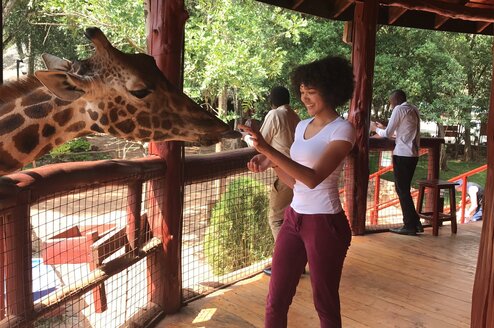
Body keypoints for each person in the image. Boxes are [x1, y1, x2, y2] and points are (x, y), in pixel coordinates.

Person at [239, 56, 355, 328]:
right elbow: (296, 179)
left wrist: (267, 149)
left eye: (311, 92)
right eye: (302, 92)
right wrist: (266, 161)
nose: (305, 98)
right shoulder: (301, 125)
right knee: (275, 298)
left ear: (330, 91)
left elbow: (313, 178)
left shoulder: (343, 129)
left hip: (325, 223)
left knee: (324, 302)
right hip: (294, 218)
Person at [244, 87, 300, 242]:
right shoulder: (295, 116)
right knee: (291, 217)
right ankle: (294, 263)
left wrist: (246, 138)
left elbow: (260, 143)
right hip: (298, 172)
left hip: (285, 174)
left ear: (272, 101)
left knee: (276, 219)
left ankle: (286, 263)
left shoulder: (275, 114)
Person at [370, 90, 422, 236]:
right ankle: (415, 222)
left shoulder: (400, 109)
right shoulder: (413, 109)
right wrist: (383, 128)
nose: (391, 104)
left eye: (391, 101)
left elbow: (387, 134)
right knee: (403, 189)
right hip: (412, 154)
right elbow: (402, 132)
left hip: (402, 154)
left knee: (402, 190)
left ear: (398, 99)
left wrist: (375, 129)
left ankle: (409, 225)